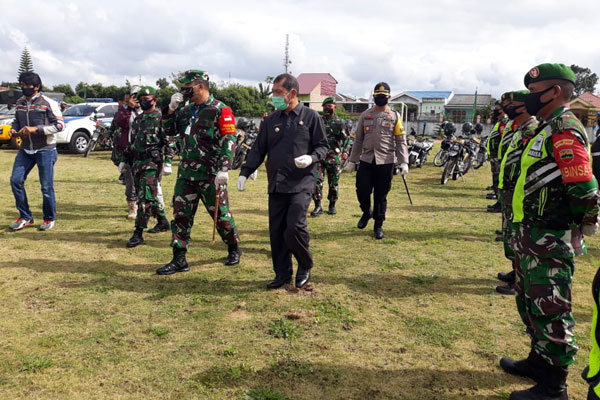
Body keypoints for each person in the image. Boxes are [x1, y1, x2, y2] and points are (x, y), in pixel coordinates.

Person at [501, 63, 599, 400]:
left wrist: (581, 227)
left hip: (549, 236)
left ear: (554, 91)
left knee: (552, 309)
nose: (528, 99)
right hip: (530, 234)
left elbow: (584, 185)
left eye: (532, 92)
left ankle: (554, 386)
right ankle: (538, 362)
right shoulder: (546, 127)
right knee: (531, 304)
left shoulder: (564, 128)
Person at [237, 73, 328, 289]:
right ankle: (282, 273)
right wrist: (245, 171)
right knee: (277, 231)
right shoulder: (271, 120)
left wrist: (312, 158)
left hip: (302, 182)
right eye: (274, 92)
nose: (274, 96)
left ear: (292, 93)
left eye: (279, 92)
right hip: (277, 182)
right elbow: (259, 148)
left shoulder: (311, 117)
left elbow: (323, 146)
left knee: (294, 226)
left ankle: (305, 264)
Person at [158, 70, 241, 274]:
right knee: (180, 216)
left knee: (220, 216)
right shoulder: (186, 111)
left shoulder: (220, 109)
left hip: (211, 174)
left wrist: (224, 168)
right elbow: (169, 132)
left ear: (200, 86)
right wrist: (170, 110)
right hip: (186, 173)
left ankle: (233, 247)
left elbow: (229, 139)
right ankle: (179, 259)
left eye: (188, 87)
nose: (184, 91)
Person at [346, 82, 409, 240]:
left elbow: (401, 140)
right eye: (377, 96)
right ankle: (366, 212)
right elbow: (358, 140)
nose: (380, 98)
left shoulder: (394, 116)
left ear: (388, 97)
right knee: (362, 190)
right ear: (373, 97)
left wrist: (403, 162)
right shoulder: (365, 115)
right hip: (367, 160)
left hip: (386, 161)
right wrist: (352, 161)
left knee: (381, 195)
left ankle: (378, 224)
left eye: (383, 96)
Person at [494, 90, 537, 298]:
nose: (507, 107)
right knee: (510, 236)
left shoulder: (531, 129)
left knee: (516, 237)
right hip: (509, 190)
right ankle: (515, 272)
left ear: (524, 106)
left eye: (512, 103)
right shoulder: (519, 128)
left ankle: (519, 280)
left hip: (518, 192)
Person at [8, 72, 64, 231]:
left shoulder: (48, 103)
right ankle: (25, 216)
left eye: (27, 85)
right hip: (25, 149)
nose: (24, 88)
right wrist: (14, 130)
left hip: (45, 149)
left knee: (46, 187)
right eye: (22, 85)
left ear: (37, 86)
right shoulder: (19, 102)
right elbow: (16, 121)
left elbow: (60, 126)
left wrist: (35, 129)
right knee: (15, 180)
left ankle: (49, 218)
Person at [125, 86, 175, 248]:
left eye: (147, 100)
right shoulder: (139, 119)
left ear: (155, 101)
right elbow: (133, 142)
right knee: (149, 195)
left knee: (145, 198)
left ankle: (138, 232)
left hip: (152, 163)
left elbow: (169, 141)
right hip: (137, 163)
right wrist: (123, 160)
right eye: (141, 100)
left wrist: (168, 162)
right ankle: (162, 221)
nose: (144, 103)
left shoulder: (160, 117)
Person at [310, 96, 351, 216]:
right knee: (317, 181)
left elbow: (347, 139)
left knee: (334, 182)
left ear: (334, 107)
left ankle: (332, 205)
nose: (328, 108)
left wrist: (345, 152)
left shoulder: (340, 123)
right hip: (319, 157)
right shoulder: (318, 121)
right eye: (326, 106)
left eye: (330, 106)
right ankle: (318, 206)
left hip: (334, 157)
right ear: (323, 107)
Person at [110, 88, 141, 219]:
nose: (136, 99)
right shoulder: (124, 111)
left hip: (146, 151)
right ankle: (132, 206)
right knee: (131, 181)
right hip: (129, 151)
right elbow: (120, 122)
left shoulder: (149, 110)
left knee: (149, 181)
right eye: (133, 96)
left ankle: (148, 206)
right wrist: (128, 108)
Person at [486, 101, 508, 212]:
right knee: (496, 179)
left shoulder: (504, 122)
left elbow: (504, 139)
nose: (495, 110)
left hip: (499, 157)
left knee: (498, 180)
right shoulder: (500, 122)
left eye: (497, 108)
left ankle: (500, 203)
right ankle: (498, 200)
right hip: (495, 156)